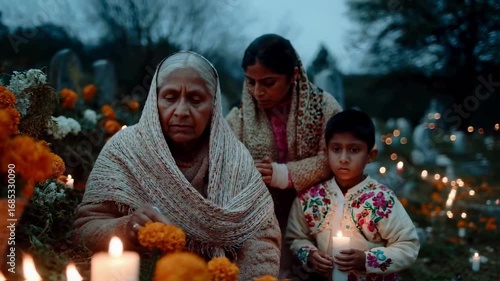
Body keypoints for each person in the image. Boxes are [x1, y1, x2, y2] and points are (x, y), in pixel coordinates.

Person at [74, 51, 281, 280]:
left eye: (195, 100)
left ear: (213, 105)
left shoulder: (235, 159)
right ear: (155, 99)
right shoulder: (124, 151)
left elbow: (263, 237)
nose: (181, 112)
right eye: (170, 98)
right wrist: (127, 228)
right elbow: (85, 227)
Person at [226, 33, 342, 277]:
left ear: (294, 76)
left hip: (317, 212)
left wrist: (284, 174)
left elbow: (335, 156)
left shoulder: (323, 108)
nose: (258, 92)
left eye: (269, 83)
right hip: (261, 215)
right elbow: (223, 159)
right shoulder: (239, 117)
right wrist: (247, 169)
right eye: (251, 82)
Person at [285, 109, 420, 281]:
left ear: (370, 155)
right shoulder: (309, 198)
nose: (343, 158)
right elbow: (296, 237)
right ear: (326, 152)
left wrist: (366, 260)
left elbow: (408, 246)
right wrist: (310, 254)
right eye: (336, 149)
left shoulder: (382, 200)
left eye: (354, 150)